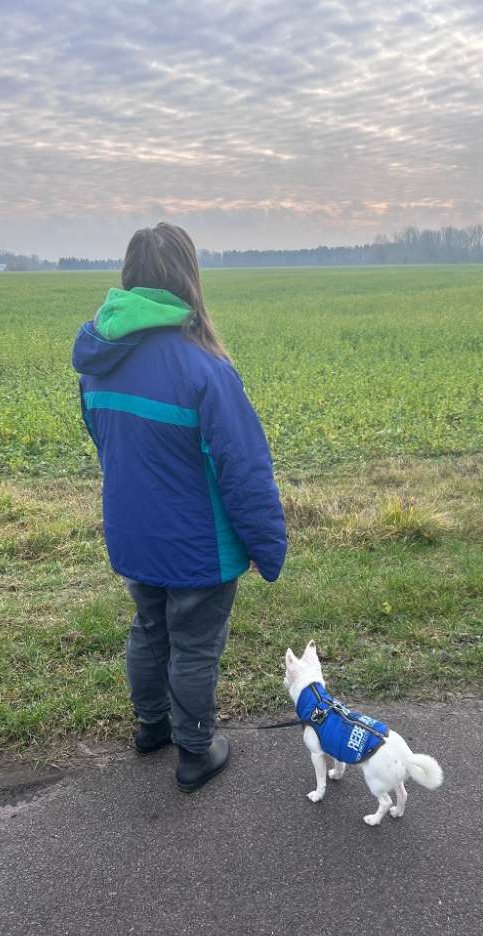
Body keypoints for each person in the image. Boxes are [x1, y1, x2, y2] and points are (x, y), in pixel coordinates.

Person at [72, 223, 286, 791]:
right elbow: (244, 472)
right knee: (193, 645)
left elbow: (106, 443)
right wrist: (267, 547)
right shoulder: (204, 368)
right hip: (197, 545)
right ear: (189, 280)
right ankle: (195, 750)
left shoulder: (99, 358)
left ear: (129, 278)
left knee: (149, 629)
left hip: (132, 534)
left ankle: (152, 728)